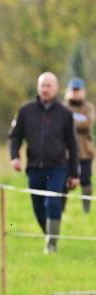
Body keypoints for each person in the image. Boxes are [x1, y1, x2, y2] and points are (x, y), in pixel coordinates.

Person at [9, 72, 79, 253]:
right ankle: (49, 233)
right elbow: (15, 137)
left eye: (49, 86)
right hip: (34, 168)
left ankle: (52, 243)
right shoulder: (26, 111)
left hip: (58, 168)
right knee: (39, 208)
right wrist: (15, 157)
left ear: (56, 88)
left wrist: (74, 174)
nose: (45, 89)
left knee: (53, 203)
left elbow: (73, 145)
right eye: (43, 85)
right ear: (38, 88)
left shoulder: (65, 114)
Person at [63, 77, 94, 213]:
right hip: (67, 152)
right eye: (73, 90)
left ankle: (86, 209)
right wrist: (77, 120)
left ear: (83, 91)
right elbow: (62, 125)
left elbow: (87, 123)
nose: (75, 93)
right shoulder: (63, 107)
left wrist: (71, 121)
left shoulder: (88, 107)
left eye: (78, 90)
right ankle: (61, 209)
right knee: (64, 181)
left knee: (86, 180)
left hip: (85, 151)